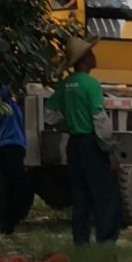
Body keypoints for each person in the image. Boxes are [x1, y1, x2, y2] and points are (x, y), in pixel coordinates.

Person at [47, 35, 121, 247]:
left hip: (74, 145)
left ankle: (81, 242)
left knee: (80, 196)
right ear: (85, 59)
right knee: (105, 194)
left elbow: (49, 116)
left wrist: (69, 123)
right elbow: (100, 119)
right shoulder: (91, 84)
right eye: (90, 52)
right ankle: (106, 241)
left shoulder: (64, 85)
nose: (94, 55)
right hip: (92, 144)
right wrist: (110, 150)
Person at [0, 87, 35, 232]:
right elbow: (3, 88)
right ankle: (12, 219)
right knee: (22, 187)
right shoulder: (5, 106)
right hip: (10, 148)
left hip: (1, 150)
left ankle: (7, 225)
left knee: (9, 187)